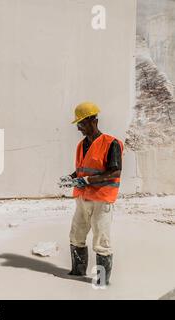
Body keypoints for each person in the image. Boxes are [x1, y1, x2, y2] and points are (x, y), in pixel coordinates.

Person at [59, 102, 123, 285]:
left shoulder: (111, 143)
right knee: (76, 235)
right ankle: (77, 273)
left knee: (101, 242)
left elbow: (115, 172)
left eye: (81, 123)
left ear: (92, 120)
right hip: (82, 198)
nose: (79, 128)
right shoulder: (81, 145)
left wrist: (86, 181)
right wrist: (70, 178)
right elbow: (81, 170)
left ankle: (101, 281)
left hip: (102, 200)